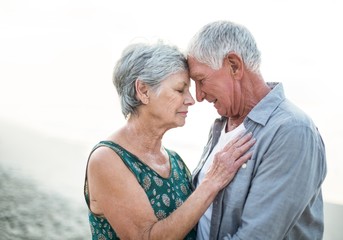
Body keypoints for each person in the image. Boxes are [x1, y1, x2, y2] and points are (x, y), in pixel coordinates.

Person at [83, 41, 256, 240]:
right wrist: (212, 181)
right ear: (143, 91)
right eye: (180, 90)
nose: (192, 99)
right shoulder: (107, 160)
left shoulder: (175, 161)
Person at [187, 21, 327, 240]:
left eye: (201, 80)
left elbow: (257, 236)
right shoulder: (221, 126)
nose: (198, 96)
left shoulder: (292, 131)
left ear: (234, 65)